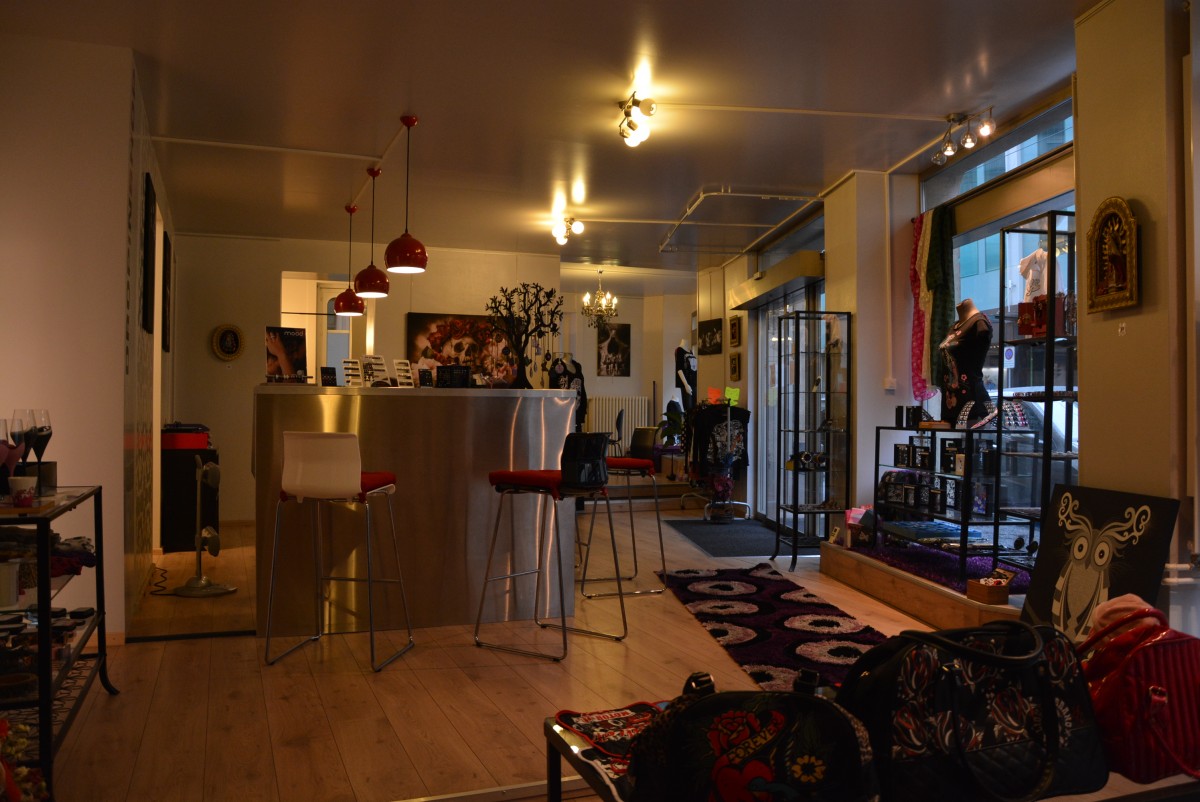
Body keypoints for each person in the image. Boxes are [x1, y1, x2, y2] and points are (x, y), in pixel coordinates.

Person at [939, 299, 992, 422]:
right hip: (950, 404)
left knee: (971, 435)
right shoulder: (954, 327)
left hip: (972, 404)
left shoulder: (979, 323)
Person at [675, 339, 697, 412]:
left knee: (695, 408)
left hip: (694, 383)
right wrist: (686, 384)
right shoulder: (679, 350)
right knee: (688, 408)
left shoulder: (690, 351)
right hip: (686, 383)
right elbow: (679, 369)